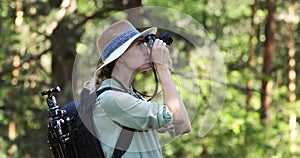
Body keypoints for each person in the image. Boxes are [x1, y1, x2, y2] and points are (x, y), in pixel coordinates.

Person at [84, 20, 191, 157]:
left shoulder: (133, 97)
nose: (148, 49)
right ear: (120, 57)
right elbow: (178, 118)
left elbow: (183, 126)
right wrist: (162, 68)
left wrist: (165, 69)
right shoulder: (111, 99)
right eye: (140, 44)